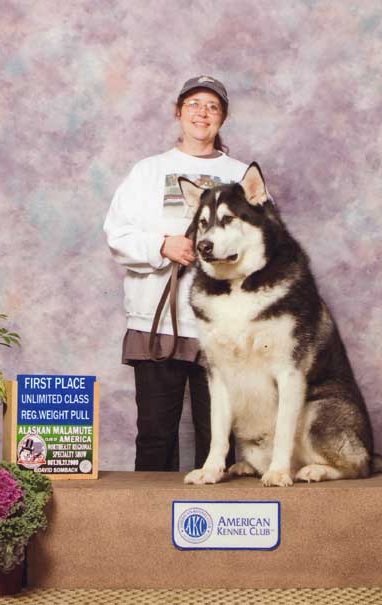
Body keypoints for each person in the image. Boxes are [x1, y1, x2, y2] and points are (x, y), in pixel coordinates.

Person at [104, 75, 267, 472]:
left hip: (226, 327)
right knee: (156, 434)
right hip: (158, 323)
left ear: (222, 118)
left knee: (220, 437)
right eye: (193, 104)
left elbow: (265, 241)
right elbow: (117, 232)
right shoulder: (147, 171)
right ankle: (145, 525)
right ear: (178, 112)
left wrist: (225, 255)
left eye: (212, 106)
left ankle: (218, 527)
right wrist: (162, 246)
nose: (202, 113)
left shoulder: (240, 173)